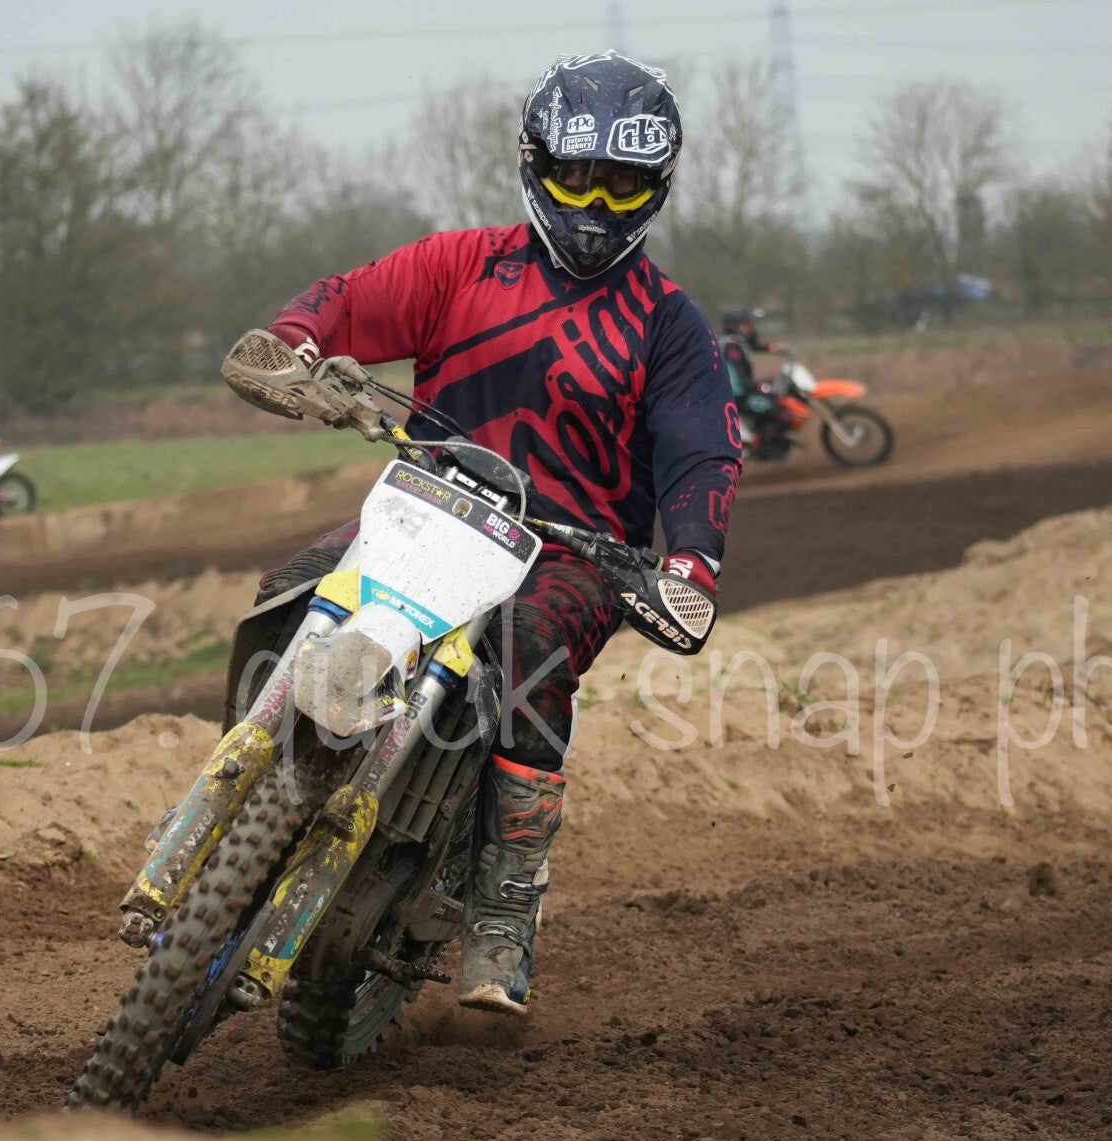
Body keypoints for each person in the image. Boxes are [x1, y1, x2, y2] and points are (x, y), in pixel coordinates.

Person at [241, 50, 742, 1016]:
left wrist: (689, 562)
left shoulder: (668, 324)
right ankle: (252, 785)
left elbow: (701, 451)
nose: (595, 204)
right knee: (294, 585)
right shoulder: (459, 265)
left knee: (527, 646)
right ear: (536, 162)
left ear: (657, 186)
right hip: (429, 511)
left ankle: (506, 905)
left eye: (621, 183)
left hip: (575, 553)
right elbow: (349, 299)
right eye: (576, 176)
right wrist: (291, 341)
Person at [719, 308, 788, 458]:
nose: (749, 328)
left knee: (774, 399)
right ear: (734, 326)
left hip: (741, 391)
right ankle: (765, 449)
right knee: (778, 411)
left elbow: (754, 345)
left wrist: (775, 348)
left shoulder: (736, 342)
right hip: (739, 396)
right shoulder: (731, 347)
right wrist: (757, 387)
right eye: (746, 324)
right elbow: (738, 377)